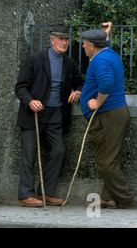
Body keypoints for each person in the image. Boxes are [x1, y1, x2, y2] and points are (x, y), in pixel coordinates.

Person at [15, 24, 85, 207]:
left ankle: (45, 193)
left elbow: (80, 82)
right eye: (60, 39)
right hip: (34, 114)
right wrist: (30, 101)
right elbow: (20, 87)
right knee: (29, 153)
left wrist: (78, 91)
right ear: (52, 40)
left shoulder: (69, 63)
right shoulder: (35, 59)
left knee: (59, 150)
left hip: (57, 114)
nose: (64, 42)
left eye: (66, 39)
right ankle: (25, 194)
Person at [80, 22, 137, 208]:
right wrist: (106, 33)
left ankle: (126, 196)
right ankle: (110, 197)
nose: (82, 46)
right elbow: (104, 45)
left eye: (84, 43)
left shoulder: (99, 60)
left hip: (107, 115)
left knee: (105, 162)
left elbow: (106, 81)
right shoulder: (109, 53)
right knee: (112, 158)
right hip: (116, 113)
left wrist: (96, 101)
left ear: (92, 46)